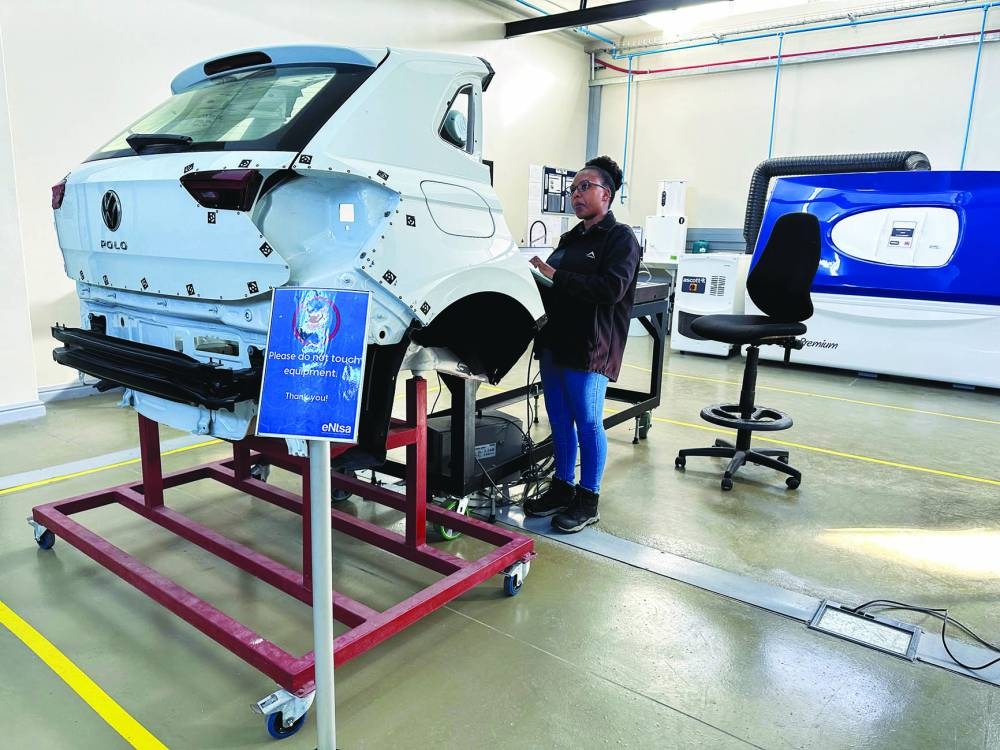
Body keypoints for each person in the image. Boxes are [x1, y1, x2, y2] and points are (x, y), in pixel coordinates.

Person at [525, 156, 640, 533]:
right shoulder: (569, 238)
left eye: (584, 187)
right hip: (556, 342)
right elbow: (556, 287)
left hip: (590, 347)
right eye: (573, 189)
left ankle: (588, 499)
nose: (576, 194)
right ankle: (562, 487)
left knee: (588, 422)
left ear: (606, 194)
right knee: (559, 420)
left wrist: (556, 276)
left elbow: (611, 289)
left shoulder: (619, 238)